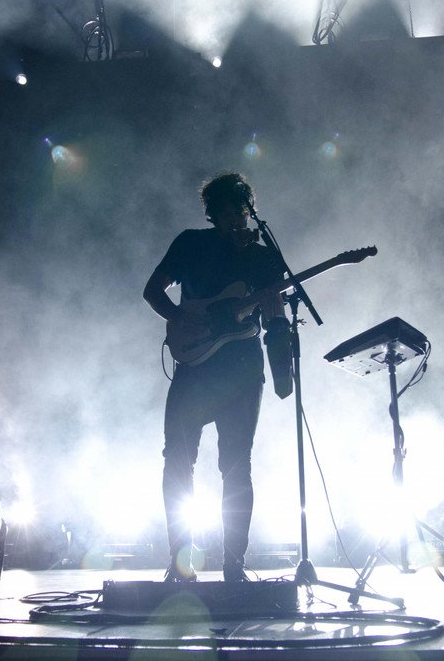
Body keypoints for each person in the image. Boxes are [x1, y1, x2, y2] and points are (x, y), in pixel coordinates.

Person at [143, 172, 291, 582]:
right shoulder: (191, 243)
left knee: (237, 464)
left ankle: (234, 564)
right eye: (225, 213)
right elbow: (153, 290)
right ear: (211, 214)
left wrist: (280, 336)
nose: (233, 220)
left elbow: (275, 315)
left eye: (240, 212)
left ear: (249, 211)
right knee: (177, 459)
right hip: (194, 366)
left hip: (242, 368)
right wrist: (180, 317)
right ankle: (180, 562)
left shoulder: (262, 257)